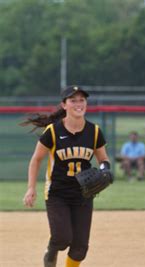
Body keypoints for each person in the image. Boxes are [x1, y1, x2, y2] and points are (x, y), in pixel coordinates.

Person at [22, 86, 111, 267]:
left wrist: (104, 170)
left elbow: (104, 159)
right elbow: (36, 159)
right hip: (57, 193)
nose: (78, 104)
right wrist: (31, 188)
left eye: (82, 100)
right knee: (62, 238)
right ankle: (52, 249)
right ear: (64, 105)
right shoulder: (53, 131)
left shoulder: (94, 132)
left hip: (83, 194)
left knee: (80, 248)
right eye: (73, 100)